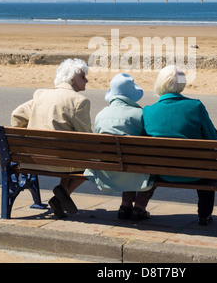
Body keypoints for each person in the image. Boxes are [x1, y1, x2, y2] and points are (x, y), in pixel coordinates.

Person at [11, 58, 91, 219]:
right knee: (95, 164)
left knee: (67, 153)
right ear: (72, 77)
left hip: (34, 161)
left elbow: (16, 116)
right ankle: (62, 195)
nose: (86, 80)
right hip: (62, 163)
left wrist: (24, 141)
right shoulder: (79, 101)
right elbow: (86, 138)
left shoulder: (40, 94)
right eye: (83, 76)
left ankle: (60, 201)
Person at [143, 65, 217, 226]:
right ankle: (204, 215)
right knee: (207, 166)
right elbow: (213, 138)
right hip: (194, 172)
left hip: (161, 171)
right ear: (182, 84)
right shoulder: (196, 106)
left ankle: (138, 207)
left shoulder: (148, 111)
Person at [84, 73, 156, 221]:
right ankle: (139, 207)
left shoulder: (101, 114)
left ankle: (125, 205)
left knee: (125, 161)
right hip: (135, 173)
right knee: (140, 163)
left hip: (107, 172)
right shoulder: (140, 114)